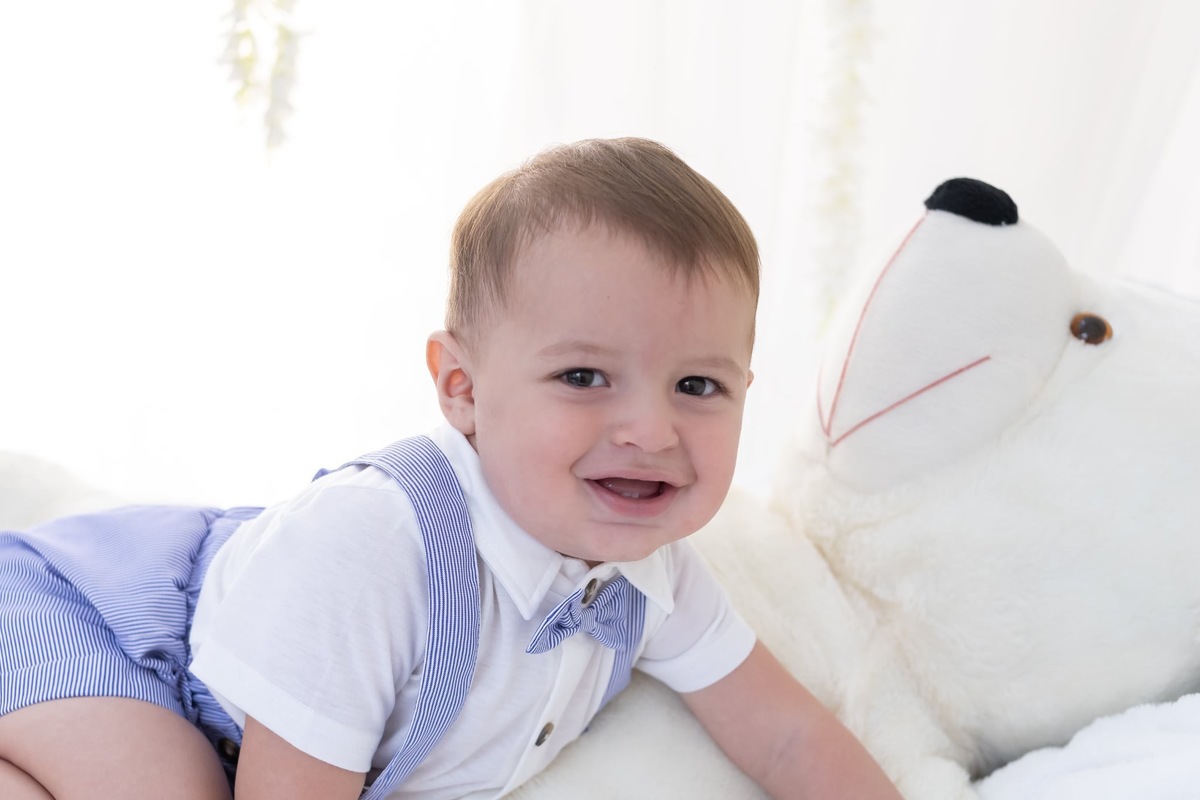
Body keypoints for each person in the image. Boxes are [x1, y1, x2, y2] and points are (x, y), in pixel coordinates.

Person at [0, 137, 902, 800]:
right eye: (583, 376)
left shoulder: (652, 573)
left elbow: (786, 738)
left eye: (698, 385)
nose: (650, 429)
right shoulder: (373, 548)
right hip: (94, 624)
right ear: (462, 389)